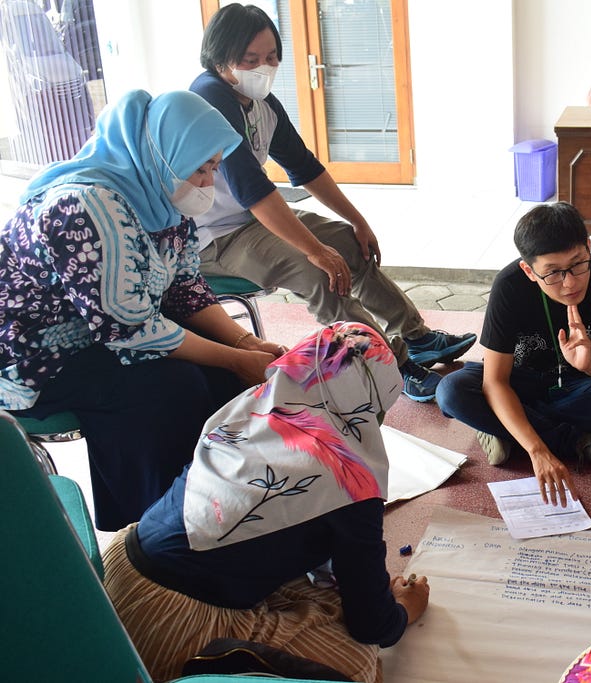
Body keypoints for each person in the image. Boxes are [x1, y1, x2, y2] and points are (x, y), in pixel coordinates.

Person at [0, 89, 285, 531]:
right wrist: (238, 357)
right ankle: (157, 531)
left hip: (100, 332)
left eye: (213, 168)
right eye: (201, 168)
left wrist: (246, 344)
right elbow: (130, 329)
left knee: (224, 377)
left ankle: (226, 510)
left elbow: (185, 290)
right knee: (170, 388)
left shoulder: (162, 197)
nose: (208, 182)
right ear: (164, 154)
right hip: (33, 355)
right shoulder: (84, 206)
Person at [102, 321, 429, 683]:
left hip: (114, 574)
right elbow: (373, 625)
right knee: (354, 663)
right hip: (168, 621)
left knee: (321, 589)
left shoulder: (249, 407)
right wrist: (404, 610)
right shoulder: (351, 479)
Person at [190, 4, 476, 403]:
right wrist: (315, 251)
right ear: (220, 58)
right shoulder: (210, 98)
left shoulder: (261, 103)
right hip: (214, 240)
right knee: (319, 271)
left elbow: (304, 167)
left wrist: (358, 221)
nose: (264, 68)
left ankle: (416, 336)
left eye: (271, 57)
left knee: (346, 243)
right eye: (250, 59)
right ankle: (390, 366)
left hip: (253, 220)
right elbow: (253, 190)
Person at [435, 202, 591, 505]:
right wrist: (538, 452)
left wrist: (590, 365)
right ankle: (581, 440)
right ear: (528, 270)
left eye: (578, 264)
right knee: (451, 390)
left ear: (588, 247)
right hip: (517, 384)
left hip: (576, 386)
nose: (570, 282)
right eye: (552, 272)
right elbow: (496, 381)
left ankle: (508, 431)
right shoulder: (509, 286)